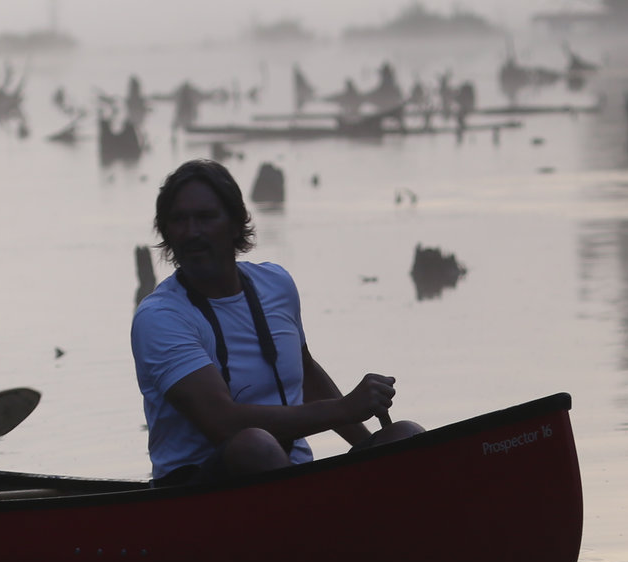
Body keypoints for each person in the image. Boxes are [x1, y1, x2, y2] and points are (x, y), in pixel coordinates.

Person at [131, 159, 423, 484]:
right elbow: (224, 423)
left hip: (286, 477)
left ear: (235, 223)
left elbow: (306, 373)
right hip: (195, 492)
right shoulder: (159, 318)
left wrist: (369, 447)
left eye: (205, 217)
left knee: (406, 437)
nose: (192, 232)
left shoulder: (277, 285)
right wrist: (345, 407)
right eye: (179, 221)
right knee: (254, 445)